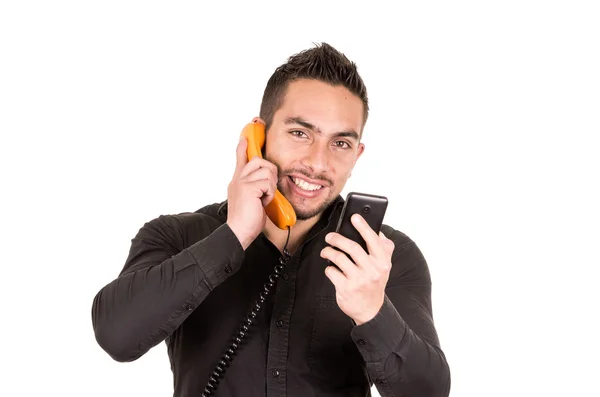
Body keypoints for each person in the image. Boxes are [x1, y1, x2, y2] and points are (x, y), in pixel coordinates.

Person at [91, 42, 451, 397]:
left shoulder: (384, 257)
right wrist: (233, 237)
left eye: (340, 143)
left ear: (357, 154)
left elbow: (430, 392)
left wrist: (372, 312)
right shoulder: (176, 235)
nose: (318, 162)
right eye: (300, 133)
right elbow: (117, 336)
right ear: (258, 136)